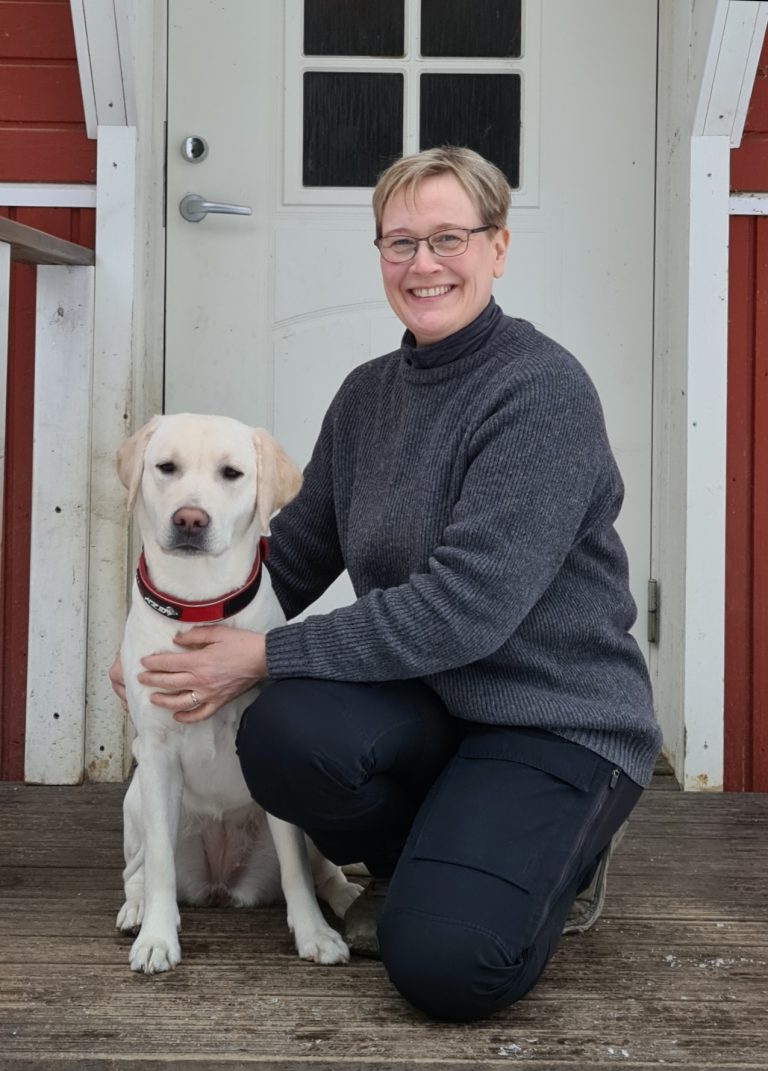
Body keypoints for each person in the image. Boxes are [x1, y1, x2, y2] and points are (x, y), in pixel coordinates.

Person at [111, 146, 662, 1022]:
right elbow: (292, 554)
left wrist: (261, 654)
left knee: (448, 965)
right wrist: (165, 644)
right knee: (287, 735)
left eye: (448, 238)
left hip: (553, 717)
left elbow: (466, 609)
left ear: (498, 248)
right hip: (431, 703)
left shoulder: (541, 393)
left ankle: (561, 854)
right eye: (399, 242)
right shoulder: (368, 396)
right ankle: (428, 853)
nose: (423, 264)